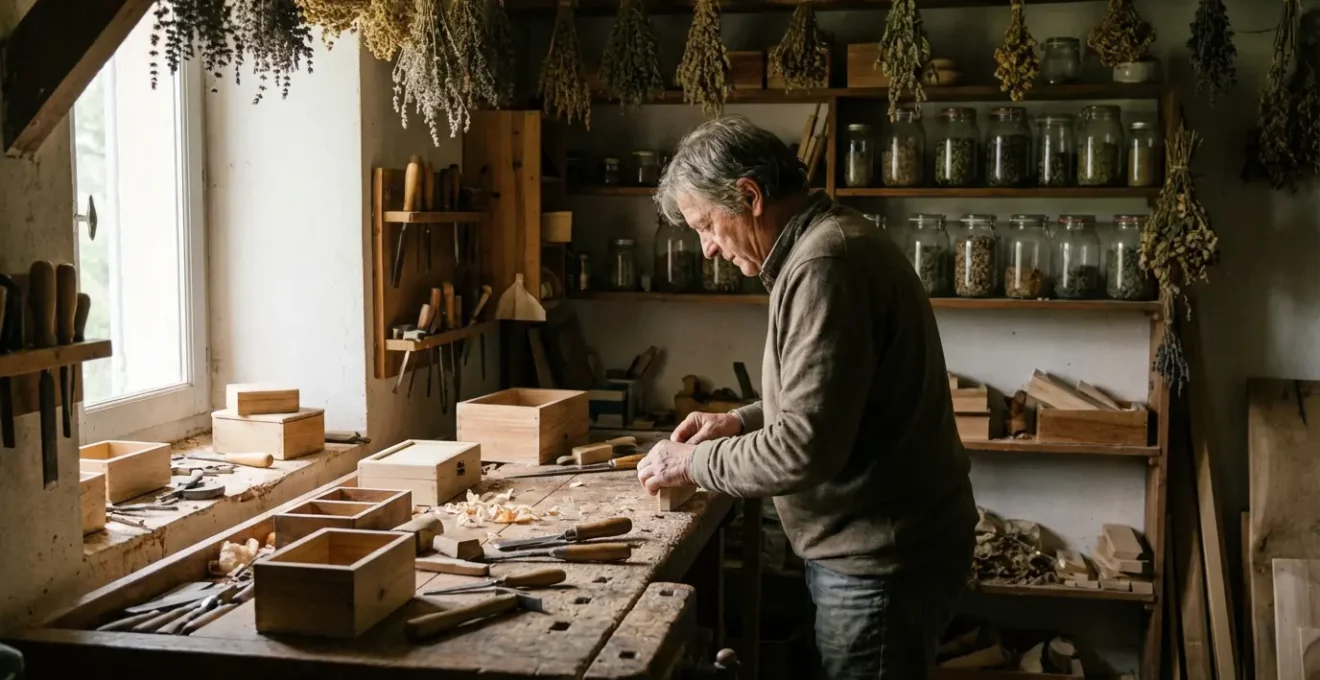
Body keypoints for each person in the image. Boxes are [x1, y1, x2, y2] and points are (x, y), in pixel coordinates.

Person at [635, 115, 977, 679]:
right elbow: (832, 397)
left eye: (706, 226)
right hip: (876, 549)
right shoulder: (825, 243)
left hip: (880, 560)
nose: (708, 251)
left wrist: (691, 462)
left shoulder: (826, 264)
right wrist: (738, 423)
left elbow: (803, 447)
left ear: (749, 195)